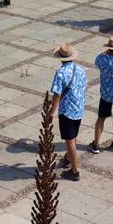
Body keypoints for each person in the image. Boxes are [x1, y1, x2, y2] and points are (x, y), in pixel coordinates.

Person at [49, 44, 87, 182]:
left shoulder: (60, 73)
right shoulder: (81, 69)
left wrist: (51, 112)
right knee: (73, 136)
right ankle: (68, 157)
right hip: (79, 108)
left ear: (60, 59)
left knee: (69, 140)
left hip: (67, 110)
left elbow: (57, 95)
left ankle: (75, 171)